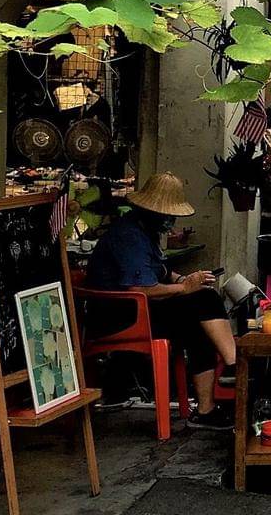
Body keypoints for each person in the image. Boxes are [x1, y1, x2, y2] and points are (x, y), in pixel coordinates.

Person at [87, 172, 234, 430]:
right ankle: (232, 366)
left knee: (202, 307)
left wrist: (184, 279)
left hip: (140, 308)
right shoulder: (129, 235)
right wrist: (184, 288)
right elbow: (141, 288)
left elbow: (161, 271)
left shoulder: (147, 232)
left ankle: (209, 405)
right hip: (119, 315)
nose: (170, 220)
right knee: (198, 307)